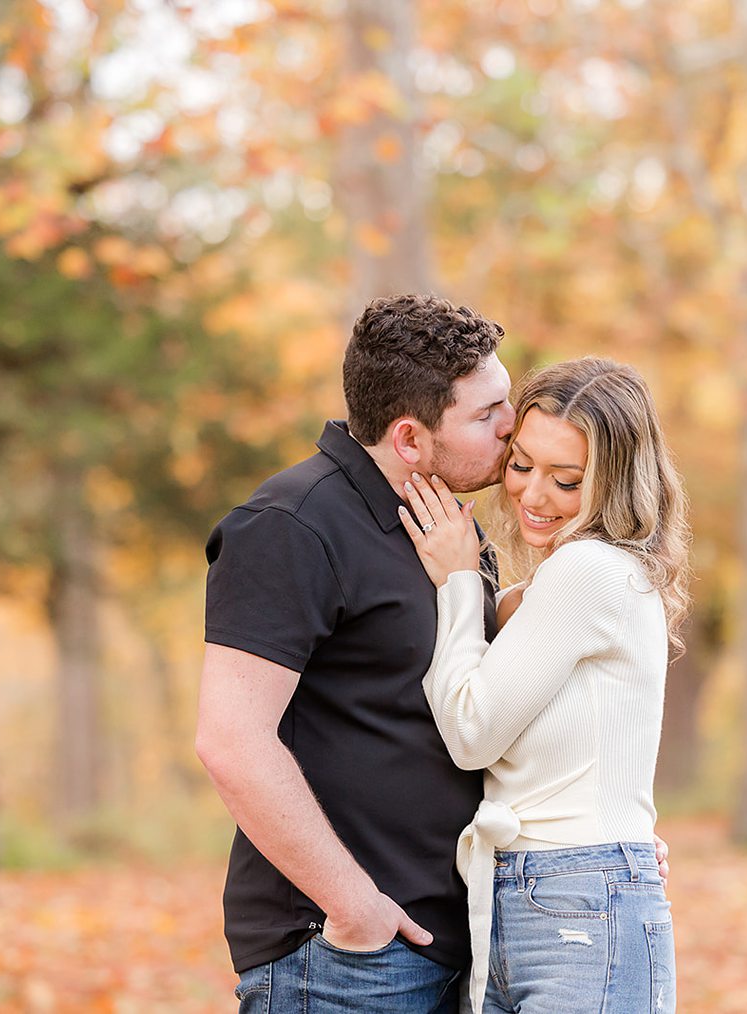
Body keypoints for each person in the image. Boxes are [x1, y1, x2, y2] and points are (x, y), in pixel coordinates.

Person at [195, 294, 515, 1013]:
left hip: (455, 946)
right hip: (346, 959)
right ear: (409, 438)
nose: (512, 427)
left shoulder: (448, 535)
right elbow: (230, 742)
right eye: (486, 413)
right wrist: (355, 909)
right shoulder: (290, 526)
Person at [398, 357, 691, 1014]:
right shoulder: (550, 585)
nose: (532, 495)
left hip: (576, 901)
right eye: (522, 464)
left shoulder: (589, 570)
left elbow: (472, 733)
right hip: (539, 893)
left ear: (615, 485)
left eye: (566, 480)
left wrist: (457, 581)